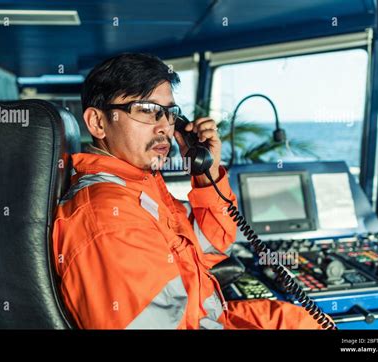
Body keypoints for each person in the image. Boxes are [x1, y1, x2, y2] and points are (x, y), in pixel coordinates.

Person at [52, 53, 327, 330]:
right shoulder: (108, 221)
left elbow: (212, 244)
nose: (164, 128)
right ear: (98, 122)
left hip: (208, 319)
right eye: (146, 110)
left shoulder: (140, 188)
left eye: (169, 113)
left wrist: (207, 173)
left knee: (300, 320)